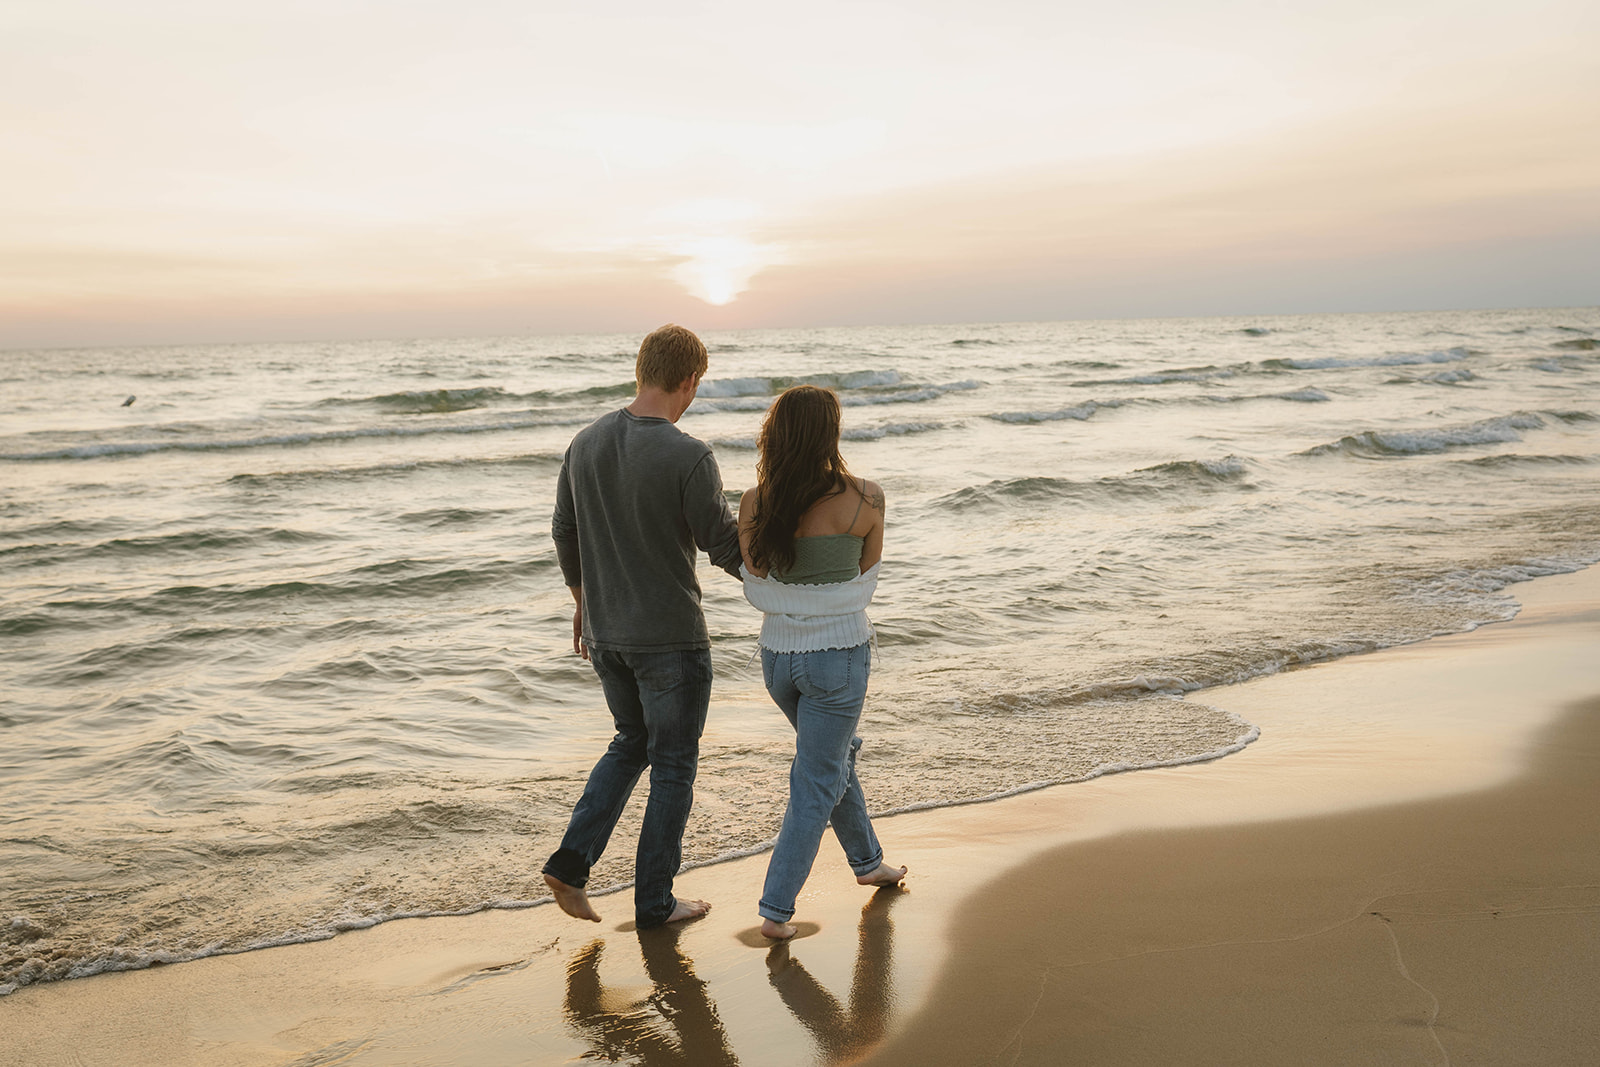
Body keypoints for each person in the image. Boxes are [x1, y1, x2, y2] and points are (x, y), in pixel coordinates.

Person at [543, 323, 743, 929]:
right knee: (674, 765)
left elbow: (563, 530)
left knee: (631, 743)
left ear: (640, 370)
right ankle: (655, 901)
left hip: (606, 635)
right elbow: (725, 547)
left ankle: (571, 863)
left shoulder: (585, 442)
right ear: (689, 380)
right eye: (695, 388)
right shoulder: (689, 454)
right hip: (670, 641)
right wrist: (791, 583)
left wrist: (583, 599)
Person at [738, 385, 907, 941]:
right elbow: (863, 581)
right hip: (838, 659)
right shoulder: (867, 498)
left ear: (775, 435)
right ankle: (775, 910)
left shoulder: (755, 503)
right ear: (830, 433)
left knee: (830, 762)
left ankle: (869, 864)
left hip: (778, 663)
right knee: (817, 778)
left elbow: (756, 583)